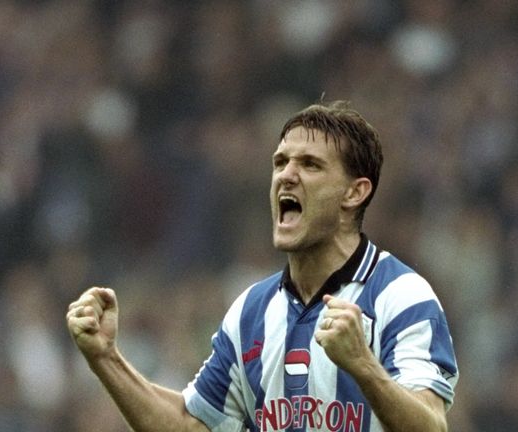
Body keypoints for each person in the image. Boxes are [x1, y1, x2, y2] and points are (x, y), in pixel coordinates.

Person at [66, 100, 459, 431]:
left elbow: (431, 425)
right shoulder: (251, 312)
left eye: (310, 165)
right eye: (280, 162)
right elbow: (191, 423)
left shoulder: (401, 296)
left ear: (354, 192)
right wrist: (105, 359)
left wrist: (362, 365)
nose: (286, 175)